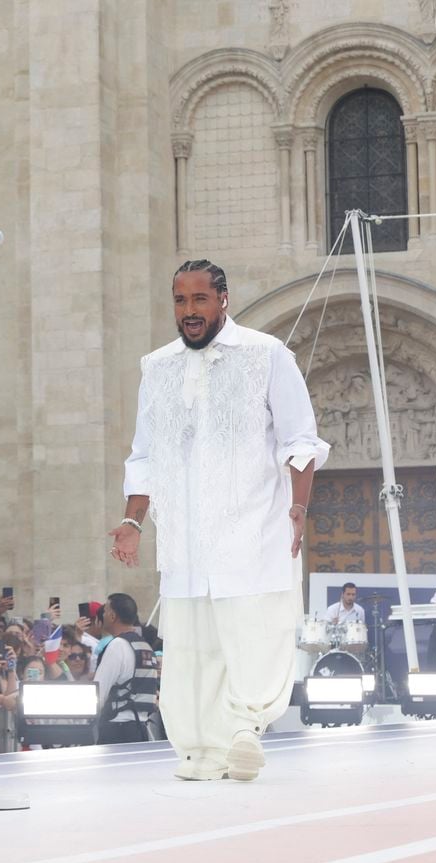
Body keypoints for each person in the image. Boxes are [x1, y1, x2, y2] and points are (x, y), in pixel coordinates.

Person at [108, 259, 328, 781]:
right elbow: (144, 456)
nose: (189, 311)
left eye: (199, 300)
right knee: (192, 647)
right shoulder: (156, 367)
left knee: (252, 633)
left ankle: (246, 730)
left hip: (252, 532)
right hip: (185, 542)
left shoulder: (268, 355)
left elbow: (300, 439)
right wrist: (133, 522)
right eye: (180, 301)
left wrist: (299, 507)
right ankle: (201, 749)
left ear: (223, 299)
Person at [94, 593, 157, 745]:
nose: (103, 614)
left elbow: (99, 692)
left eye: (105, 611)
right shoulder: (145, 647)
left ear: (112, 615)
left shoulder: (118, 645)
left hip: (117, 728)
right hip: (141, 727)